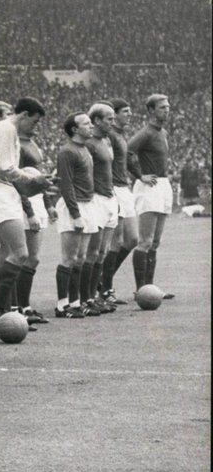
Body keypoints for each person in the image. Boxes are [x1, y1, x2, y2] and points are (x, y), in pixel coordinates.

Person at [0, 98, 50, 324]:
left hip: (6, 191)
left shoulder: (9, 130)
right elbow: (4, 167)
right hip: (0, 191)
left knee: (3, 255)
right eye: (33, 122)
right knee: (20, 254)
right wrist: (32, 178)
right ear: (24, 114)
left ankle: (2, 311)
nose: (34, 127)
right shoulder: (7, 128)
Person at [127, 94, 174, 298]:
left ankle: (150, 289)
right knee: (145, 241)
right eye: (162, 107)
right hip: (150, 186)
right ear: (151, 110)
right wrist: (140, 175)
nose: (167, 109)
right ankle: (141, 290)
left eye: (168, 106)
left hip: (162, 184)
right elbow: (126, 152)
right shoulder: (145, 133)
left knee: (155, 242)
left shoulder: (162, 132)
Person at [54, 112, 99, 318]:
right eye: (86, 123)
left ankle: (75, 301)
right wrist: (76, 214)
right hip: (74, 207)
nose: (91, 126)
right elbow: (66, 184)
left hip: (88, 204)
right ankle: (62, 305)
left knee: (80, 258)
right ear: (74, 129)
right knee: (69, 257)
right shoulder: (67, 152)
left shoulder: (85, 149)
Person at [84, 103, 120, 314]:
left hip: (109, 198)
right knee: (93, 251)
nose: (112, 122)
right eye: (108, 119)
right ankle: (86, 297)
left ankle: (95, 296)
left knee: (103, 252)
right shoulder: (88, 143)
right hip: (96, 199)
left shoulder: (106, 140)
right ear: (96, 120)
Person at [100, 98, 137, 302]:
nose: (129, 114)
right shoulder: (110, 136)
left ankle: (102, 281)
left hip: (125, 188)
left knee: (132, 239)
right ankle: (106, 289)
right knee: (116, 241)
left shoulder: (121, 134)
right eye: (125, 111)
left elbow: (128, 161)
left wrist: (139, 175)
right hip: (114, 188)